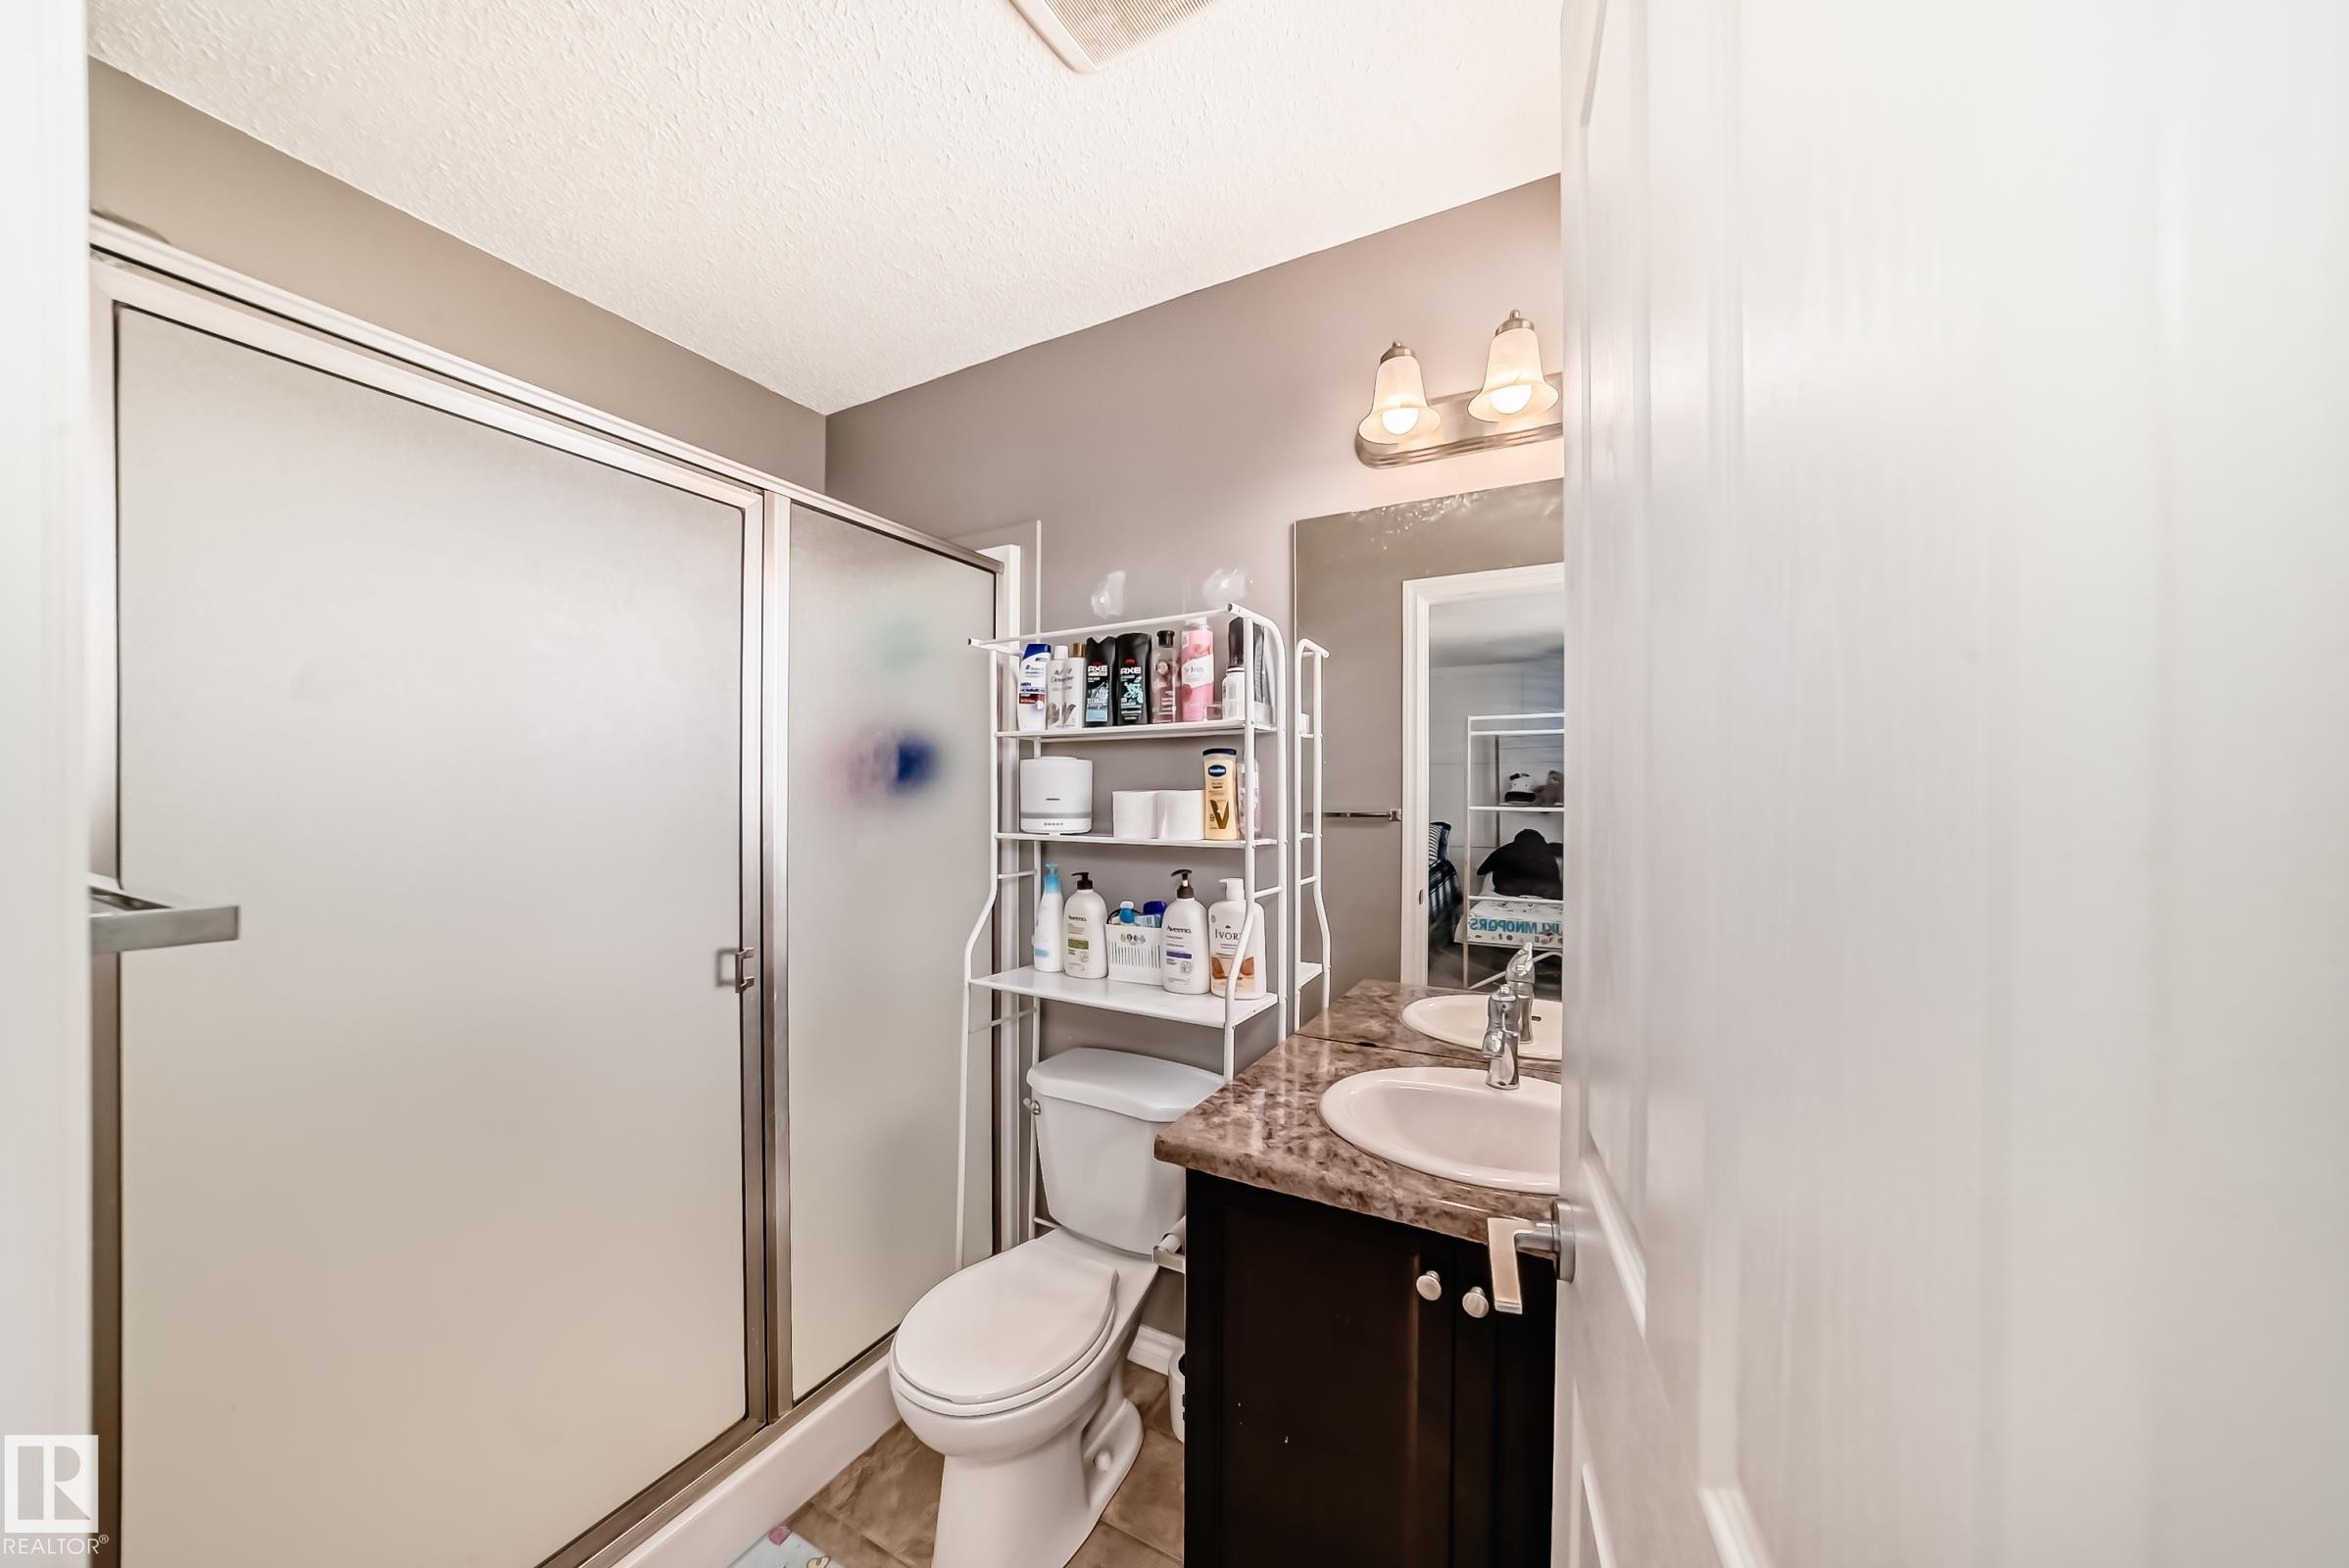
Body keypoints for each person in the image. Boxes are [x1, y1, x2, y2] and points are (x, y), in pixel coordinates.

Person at [1475, 827, 1562, 900]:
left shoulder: (1505, 849)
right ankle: (1550, 894)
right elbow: (1569, 852)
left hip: (1512, 883)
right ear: (1541, 840)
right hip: (1542, 883)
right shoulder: (1548, 848)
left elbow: (1481, 870)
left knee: (1505, 888)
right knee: (1551, 890)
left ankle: (1508, 892)